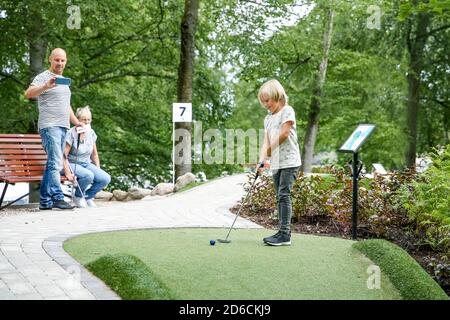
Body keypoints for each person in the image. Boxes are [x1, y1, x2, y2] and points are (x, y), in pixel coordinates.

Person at [24, 48, 83, 210]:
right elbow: (28, 94)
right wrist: (46, 86)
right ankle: (57, 197)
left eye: (63, 60)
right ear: (50, 59)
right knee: (55, 162)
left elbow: (66, 105)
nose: (60, 63)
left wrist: (76, 122)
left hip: (64, 126)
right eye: (57, 60)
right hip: (50, 125)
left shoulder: (64, 80)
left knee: (54, 162)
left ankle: (45, 201)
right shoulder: (43, 77)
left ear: (66, 61)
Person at [257, 79, 301, 246]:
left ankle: (285, 234)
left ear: (277, 96)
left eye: (267, 100)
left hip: (290, 161)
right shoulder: (268, 119)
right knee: (279, 196)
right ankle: (282, 232)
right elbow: (266, 141)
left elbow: (283, 134)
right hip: (276, 163)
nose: (265, 104)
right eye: (263, 101)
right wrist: (262, 160)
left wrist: (269, 151)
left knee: (284, 195)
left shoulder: (287, 111)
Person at [62, 106, 111, 208]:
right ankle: (78, 196)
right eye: (84, 120)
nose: (87, 122)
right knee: (88, 175)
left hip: (86, 163)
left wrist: (98, 170)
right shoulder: (71, 133)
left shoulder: (91, 133)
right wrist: (67, 172)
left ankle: (87, 197)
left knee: (105, 178)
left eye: (89, 119)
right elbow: (63, 155)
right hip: (70, 163)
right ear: (78, 120)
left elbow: (94, 155)